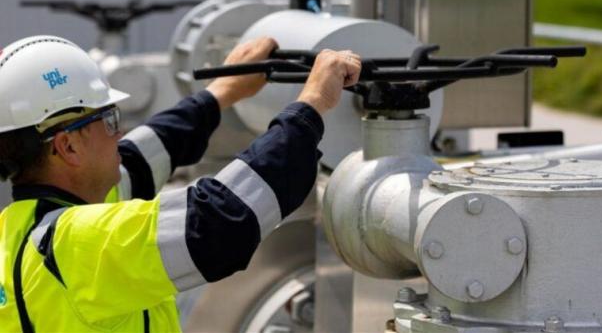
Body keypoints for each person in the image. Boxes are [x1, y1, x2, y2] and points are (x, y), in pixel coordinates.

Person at [0, 34, 361, 332]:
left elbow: (145, 155)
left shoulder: (28, 230)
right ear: (68, 146)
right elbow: (218, 222)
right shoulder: (77, 246)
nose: (120, 133)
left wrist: (223, 92)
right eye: (109, 120)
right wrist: (311, 105)